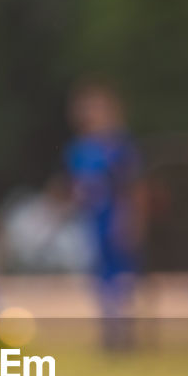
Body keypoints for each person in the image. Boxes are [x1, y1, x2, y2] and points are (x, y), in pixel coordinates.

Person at [64, 79, 147, 350]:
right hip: (91, 223)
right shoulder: (79, 149)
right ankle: (108, 335)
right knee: (99, 280)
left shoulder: (120, 146)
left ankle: (124, 336)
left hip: (115, 219)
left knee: (121, 278)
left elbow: (134, 186)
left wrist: (131, 219)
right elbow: (76, 186)